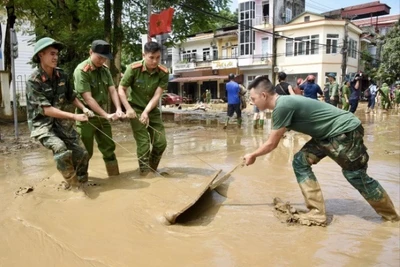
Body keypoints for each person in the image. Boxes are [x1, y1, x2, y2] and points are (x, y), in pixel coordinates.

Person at [243, 76, 399, 225]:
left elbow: (271, 144)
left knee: (355, 175)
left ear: (263, 95)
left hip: (344, 131)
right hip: (324, 135)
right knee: (300, 161)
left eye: (253, 98)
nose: (252, 102)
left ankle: (392, 218)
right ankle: (317, 213)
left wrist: (253, 155)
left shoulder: (282, 106)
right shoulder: (284, 103)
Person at [26, 37, 91, 187]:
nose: (56, 57)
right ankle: (74, 187)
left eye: (57, 54)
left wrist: (84, 108)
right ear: (41, 55)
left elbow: (71, 96)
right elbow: (46, 109)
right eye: (52, 54)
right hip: (42, 124)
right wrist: (75, 116)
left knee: (82, 152)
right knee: (60, 148)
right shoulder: (33, 80)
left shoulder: (63, 75)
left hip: (60, 122)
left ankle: (83, 182)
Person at [73, 40, 124, 177]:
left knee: (109, 149)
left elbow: (113, 90)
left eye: (104, 58)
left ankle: (115, 178)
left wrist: (118, 108)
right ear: (90, 52)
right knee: (85, 152)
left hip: (102, 114)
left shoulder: (105, 70)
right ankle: (79, 182)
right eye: (99, 57)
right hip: (86, 116)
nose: (102, 61)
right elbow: (88, 98)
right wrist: (106, 115)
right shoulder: (81, 71)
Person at [118, 41, 168, 176]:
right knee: (144, 143)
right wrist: (128, 109)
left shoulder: (163, 72)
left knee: (161, 142)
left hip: (151, 109)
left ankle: (152, 169)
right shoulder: (133, 69)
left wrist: (146, 112)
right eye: (151, 57)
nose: (155, 61)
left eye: (158, 57)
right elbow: (121, 89)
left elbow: (157, 95)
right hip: (135, 109)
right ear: (144, 55)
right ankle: (145, 173)